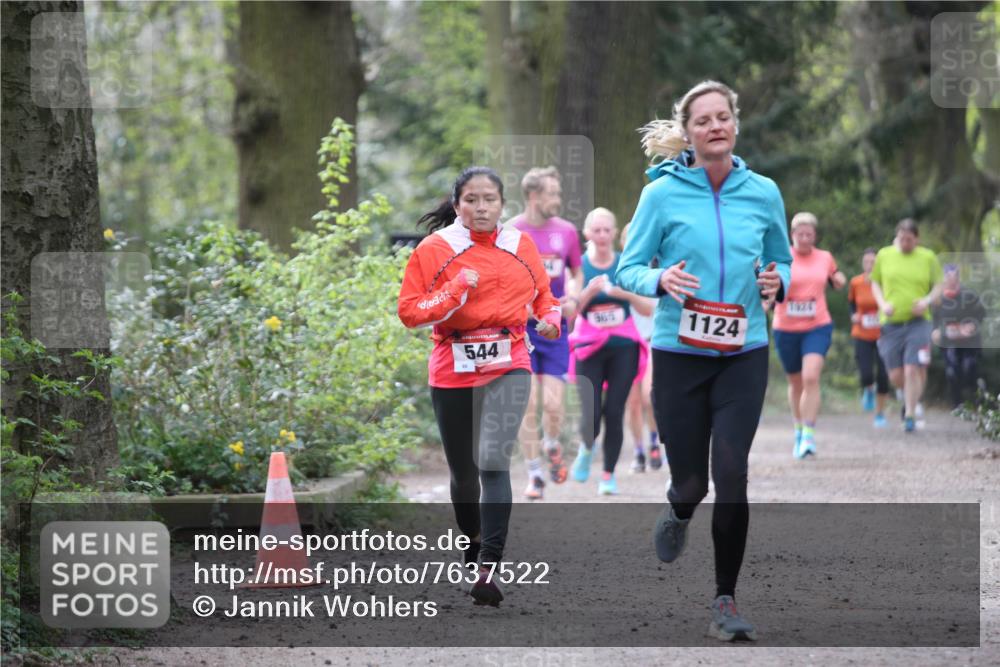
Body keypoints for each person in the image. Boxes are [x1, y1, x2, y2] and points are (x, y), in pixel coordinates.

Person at [617, 80, 791, 641]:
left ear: (735, 123)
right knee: (692, 483)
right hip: (678, 354)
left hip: (744, 351)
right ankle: (678, 508)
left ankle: (725, 600)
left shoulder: (763, 191)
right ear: (687, 132)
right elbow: (627, 268)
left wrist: (778, 281)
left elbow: (783, 258)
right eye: (703, 120)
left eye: (723, 117)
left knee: (732, 473)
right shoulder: (661, 195)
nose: (715, 126)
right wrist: (659, 279)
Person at [397, 166, 561, 606]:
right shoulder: (435, 248)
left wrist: (550, 320)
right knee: (464, 476)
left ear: (503, 204)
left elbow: (544, 298)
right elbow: (410, 311)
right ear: (457, 205)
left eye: (490, 199)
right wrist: (453, 291)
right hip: (453, 365)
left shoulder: (520, 244)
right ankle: (471, 547)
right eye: (471, 199)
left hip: (510, 360)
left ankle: (489, 566)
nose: (481, 207)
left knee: (492, 460)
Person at [510, 167, 583, 500]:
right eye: (552, 194)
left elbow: (576, 273)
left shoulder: (566, 232)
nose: (558, 199)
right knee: (528, 403)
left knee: (553, 405)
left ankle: (552, 444)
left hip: (554, 328)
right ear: (533, 196)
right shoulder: (511, 232)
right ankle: (535, 474)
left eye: (558, 193)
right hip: (520, 329)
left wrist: (574, 299)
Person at [567, 208, 651, 494]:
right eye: (597, 230)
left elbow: (647, 308)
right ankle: (586, 447)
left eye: (607, 230)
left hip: (623, 347)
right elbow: (569, 313)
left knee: (614, 411)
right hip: (588, 347)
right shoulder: (578, 267)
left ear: (614, 233)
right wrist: (588, 293)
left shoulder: (625, 264)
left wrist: (622, 294)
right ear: (587, 234)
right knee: (590, 413)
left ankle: (608, 474)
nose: (602, 235)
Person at [771, 212, 846, 458]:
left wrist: (839, 279)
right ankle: (798, 429)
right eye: (800, 234)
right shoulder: (781, 256)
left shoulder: (824, 257)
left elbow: (835, 276)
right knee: (796, 383)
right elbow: (770, 285)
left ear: (815, 236)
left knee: (811, 377)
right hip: (785, 327)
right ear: (792, 235)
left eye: (809, 234)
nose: (804, 238)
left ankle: (808, 435)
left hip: (817, 326)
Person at [870, 218, 944, 433]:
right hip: (890, 323)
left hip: (919, 322)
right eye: (901, 238)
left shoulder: (927, 257)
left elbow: (939, 285)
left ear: (917, 239)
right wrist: (883, 304)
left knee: (912, 368)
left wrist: (926, 301)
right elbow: (875, 282)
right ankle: (912, 395)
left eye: (909, 239)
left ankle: (910, 414)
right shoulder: (884, 255)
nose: (905, 243)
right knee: (895, 375)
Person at [621, 221, 662, 472]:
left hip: (652, 341)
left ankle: (654, 442)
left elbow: (650, 309)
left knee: (649, 396)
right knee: (632, 402)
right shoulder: (618, 272)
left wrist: (625, 295)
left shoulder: (656, 269)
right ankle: (638, 451)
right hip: (627, 345)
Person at [848, 248, 891, 427]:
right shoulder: (856, 282)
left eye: (873, 262)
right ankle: (868, 388)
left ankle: (880, 414)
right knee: (866, 374)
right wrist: (853, 315)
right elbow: (852, 303)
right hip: (862, 333)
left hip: (884, 334)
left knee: (883, 376)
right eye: (866, 262)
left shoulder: (886, 282)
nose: (870, 265)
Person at [932, 264, 986, 409]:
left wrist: (972, 325)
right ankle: (957, 405)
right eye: (948, 276)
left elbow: (981, 313)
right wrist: (935, 330)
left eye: (954, 276)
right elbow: (934, 318)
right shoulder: (938, 299)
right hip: (949, 342)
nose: (952, 279)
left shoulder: (969, 295)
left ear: (958, 278)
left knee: (969, 368)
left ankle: (978, 398)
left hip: (969, 342)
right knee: (952, 372)